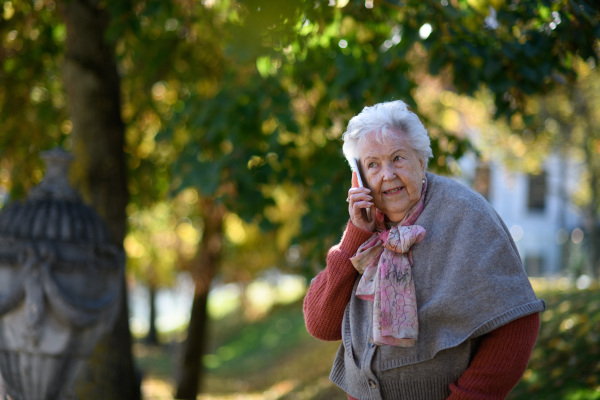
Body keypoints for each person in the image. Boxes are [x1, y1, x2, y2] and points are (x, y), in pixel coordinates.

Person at [303, 100, 545, 400]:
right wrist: (355, 233)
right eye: (373, 165)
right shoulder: (368, 228)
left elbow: (518, 324)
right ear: (360, 178)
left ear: (421, 161)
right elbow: (321, 324)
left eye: (398, 158)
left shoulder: (466, 215)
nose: (387, 175)